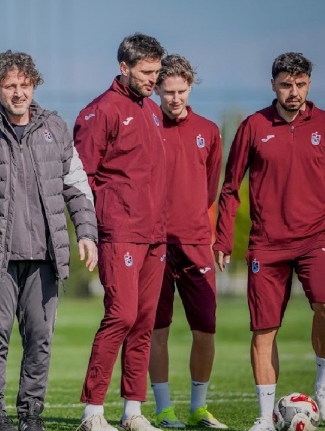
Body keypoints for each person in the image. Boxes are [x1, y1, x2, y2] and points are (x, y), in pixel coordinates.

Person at [0, 50, 98, 431]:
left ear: (34, 86)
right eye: (10, 85)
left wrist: (86, 233)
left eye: (25, 84)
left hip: (45, 257)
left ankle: (31, 415)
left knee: (40, 338)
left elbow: (77, 186)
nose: (19, 92)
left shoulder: (55, 127)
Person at [213, 52, 325, 431]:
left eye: (301, 84)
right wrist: (223, 238)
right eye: (286, 85)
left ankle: (322, 385)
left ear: (309, 83)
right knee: (264, 330)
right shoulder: (253, 126)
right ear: (273, 85)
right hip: (267, 244)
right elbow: (231, 187)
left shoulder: (323, 125)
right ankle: (264, 417)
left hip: (316, 238)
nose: (294, 92)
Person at [73, 33, 166, 431]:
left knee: (144, 322)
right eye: (146, 72)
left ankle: (132, 411)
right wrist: (90, 229)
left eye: (156, 71)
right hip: (119, 230)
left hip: (155, 233)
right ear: (124, 67)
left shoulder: (154, 110)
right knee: (121, 315)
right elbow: (80, 178)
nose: (153, 79)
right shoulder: (101, 111)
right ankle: (92, 411)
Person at [148, 54, 226, 429]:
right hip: (155, 245)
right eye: (168, 92)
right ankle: (164, 410)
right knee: (157, 330)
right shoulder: (146, 127)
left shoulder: (209, 131)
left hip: (196, 244)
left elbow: (210, 189)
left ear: (190, 87)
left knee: (205, 329)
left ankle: (198, 408)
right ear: (157, 90)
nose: (175, 98)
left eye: (181, 91)